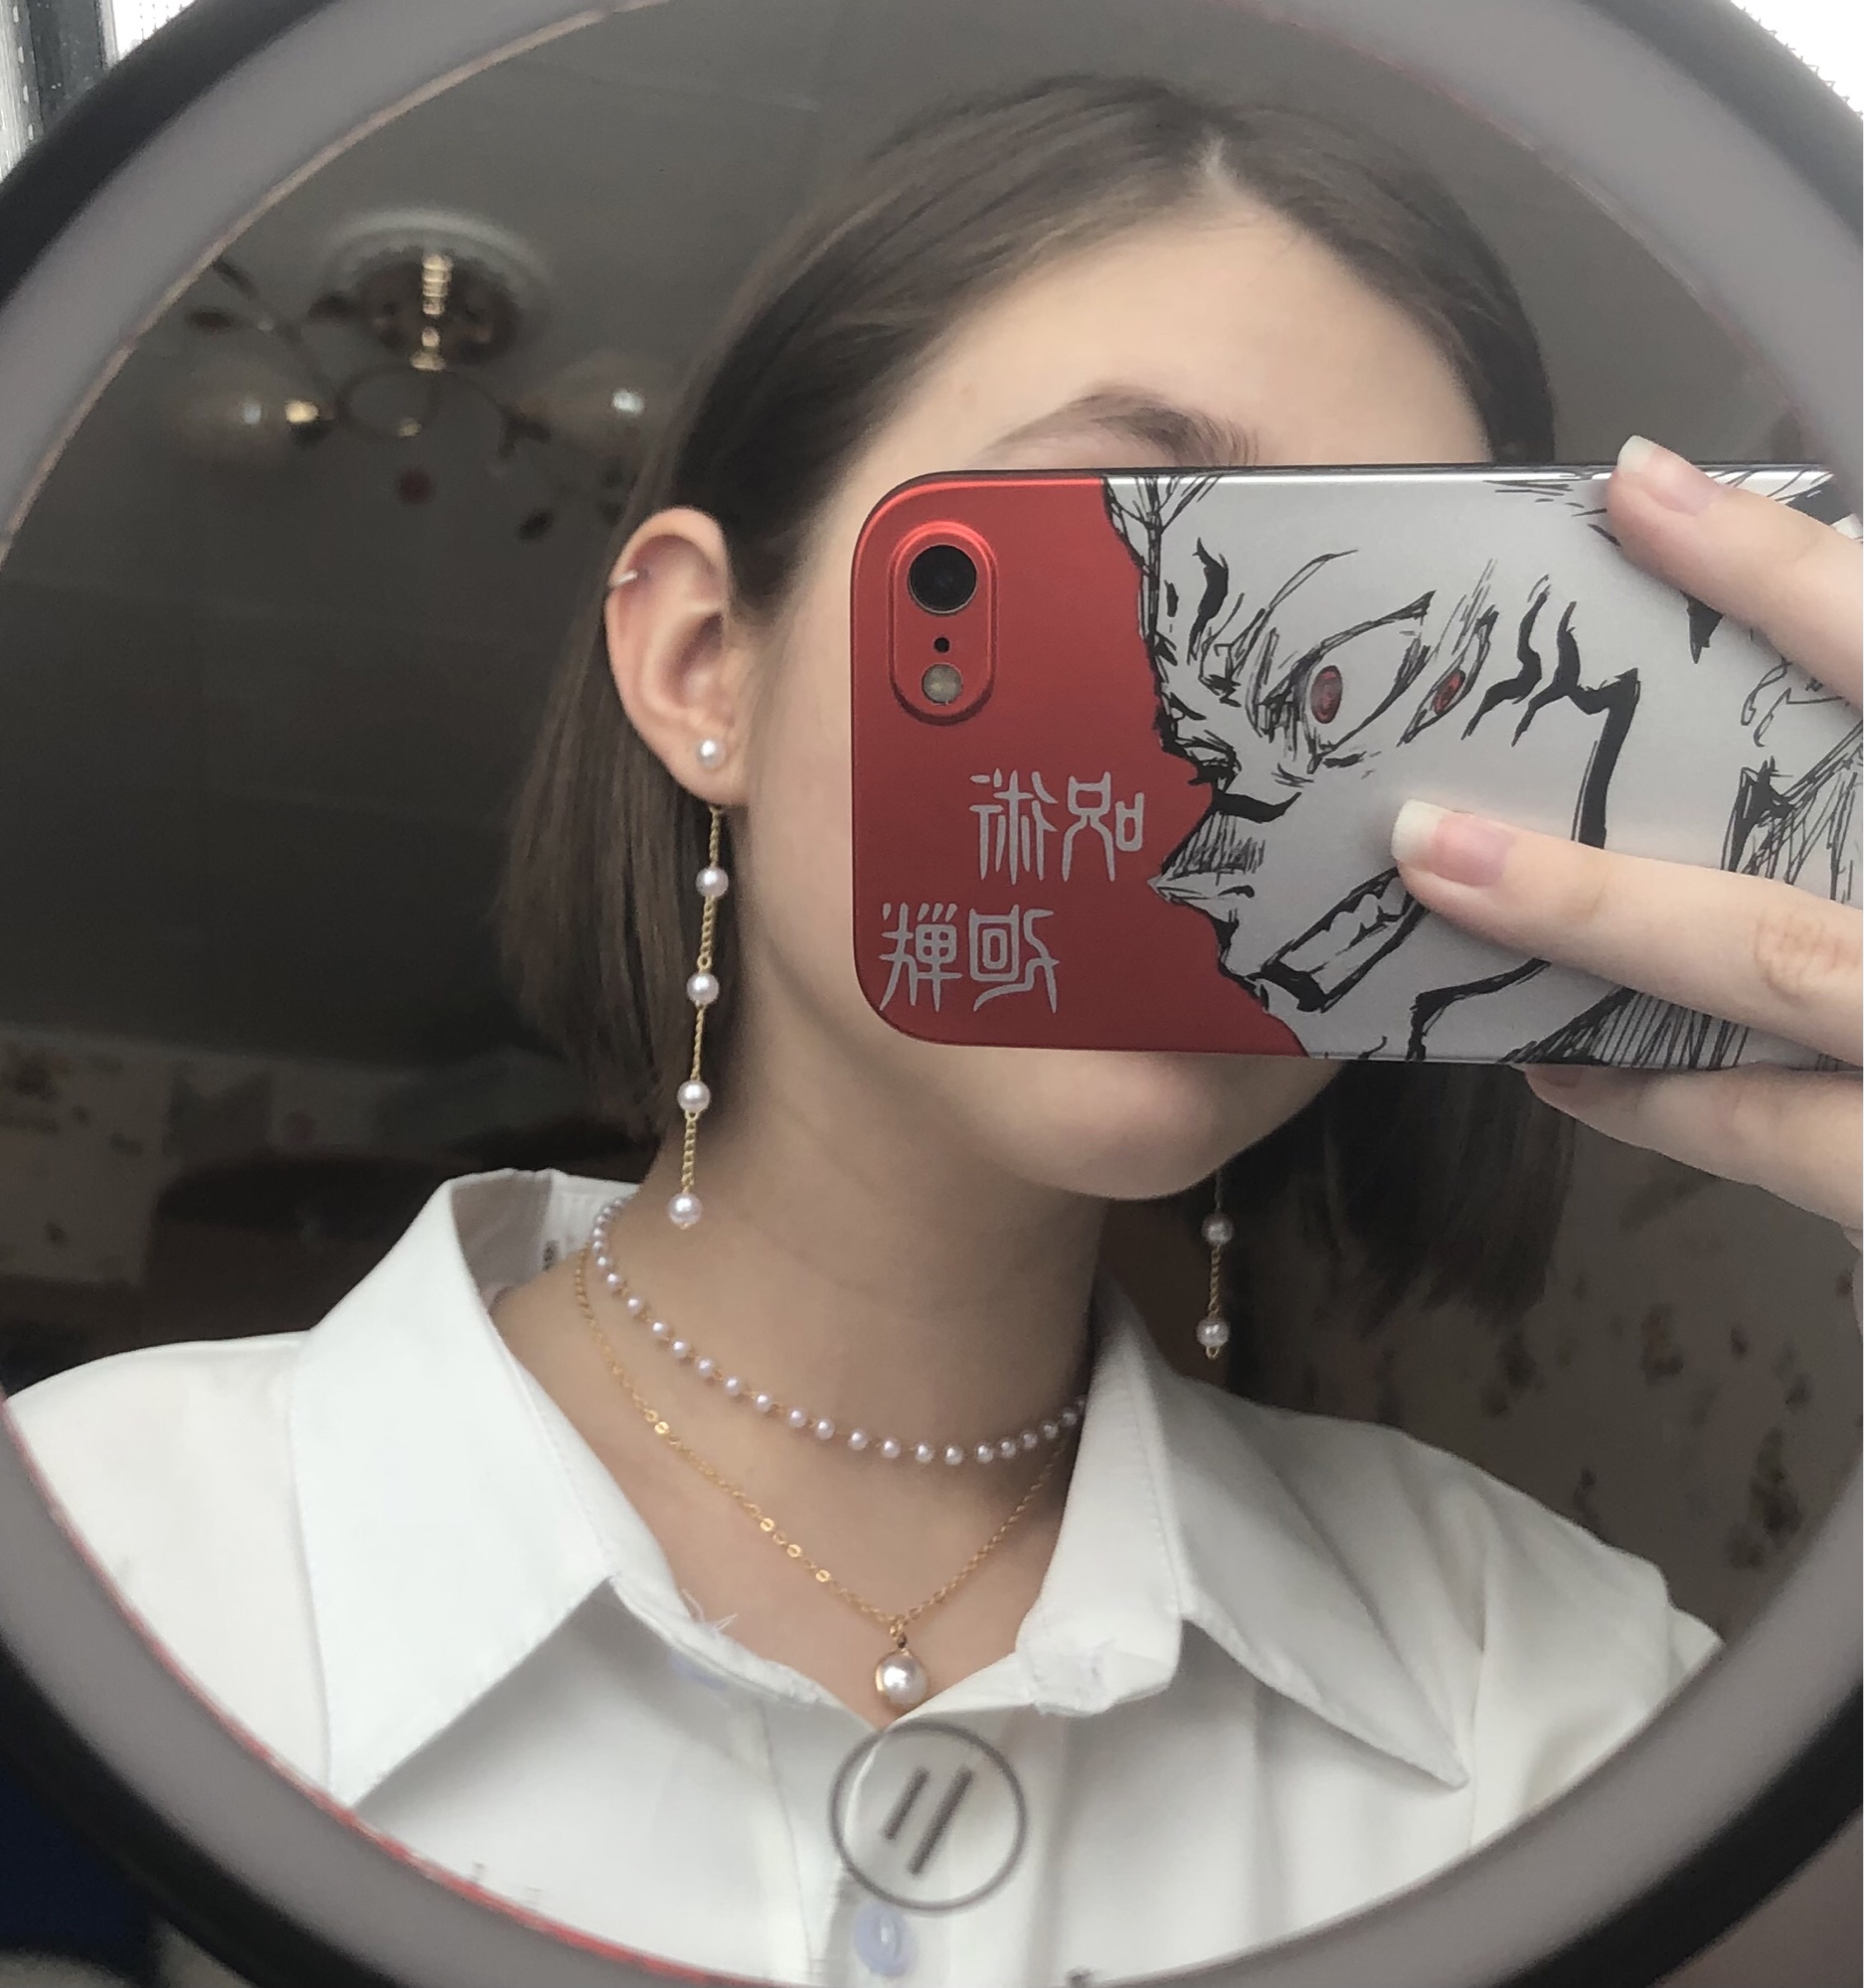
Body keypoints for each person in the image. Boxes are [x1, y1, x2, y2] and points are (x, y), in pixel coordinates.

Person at [7, 77, 1858, 1988]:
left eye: (1391, 646)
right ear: (704, 664)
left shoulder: (1555, 1693)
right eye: (1112, 552)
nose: (1272, 766)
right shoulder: (93, 1543)